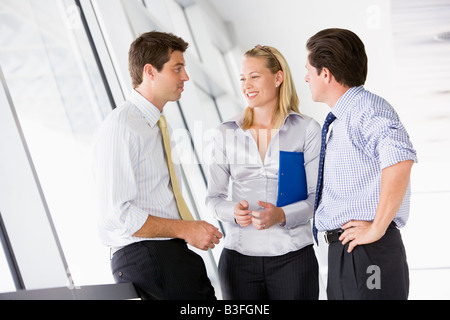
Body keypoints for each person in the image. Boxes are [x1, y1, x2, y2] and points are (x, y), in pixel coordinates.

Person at [93, 31, 222, 300]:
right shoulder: (122, 126)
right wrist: (186, 229)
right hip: (148, 257)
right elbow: (117, 215)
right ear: (150, 71)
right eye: (178, 68)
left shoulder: (157, 125)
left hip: (170, 254)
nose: (185, 76)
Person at [305, 28, 417, 300]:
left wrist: (377, 227)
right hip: (350, 252)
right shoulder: (344, 117)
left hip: (368, 252)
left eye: (308, 69)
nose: (306, 77)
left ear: (326, 73)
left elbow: (400, 159)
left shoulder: (366, 109)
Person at [205, 45, 321, 300]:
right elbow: (213, 199)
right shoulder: (226, 132)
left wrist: (281, 214)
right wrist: (232, 213)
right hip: (238, 260)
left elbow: (317, 198)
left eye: (255, 76)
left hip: (294, 258)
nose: (247, 85)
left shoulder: (306, 129)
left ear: (278, 78)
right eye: (243, 78)